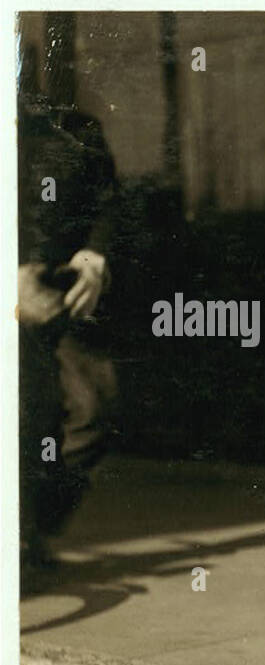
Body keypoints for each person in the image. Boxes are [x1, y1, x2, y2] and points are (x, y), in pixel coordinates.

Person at [17, 86, 119, 587]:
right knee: (22, 424)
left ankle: (28, 527)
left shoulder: (76, 130)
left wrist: (95, 253)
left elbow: (106, 200)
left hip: (61, 293)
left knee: (94, 408)